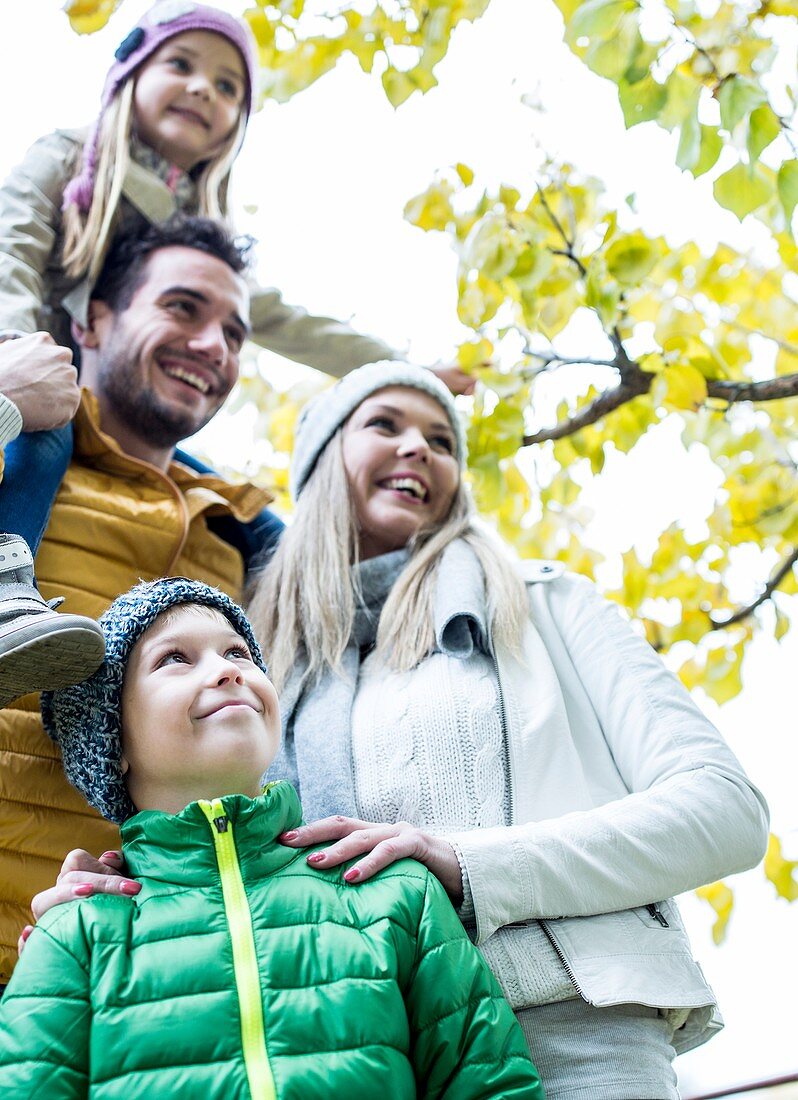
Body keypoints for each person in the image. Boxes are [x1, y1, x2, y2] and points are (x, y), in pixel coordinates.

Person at [242, 362, 769, 1099]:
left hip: (572, 1038)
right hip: (362, 1053)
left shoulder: (546, 605)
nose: (420, 449)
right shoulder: (264, 667)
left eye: (439, 439)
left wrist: (469, 864)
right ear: (323, 459)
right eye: (384, 424)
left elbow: (726, 812)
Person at [0, 1, 471, 705]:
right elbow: (13, 241)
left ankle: (335, 613)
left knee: (245, 514)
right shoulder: (70, 157)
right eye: (182, 66)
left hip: (106, 412)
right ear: (130, 73)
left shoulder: (198, 223)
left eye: (227, 87)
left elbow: (286, 320)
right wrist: (15, 352)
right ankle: (10, 589)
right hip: (48, 379)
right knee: (41, 446)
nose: (202, 90)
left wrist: (399, 368)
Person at [0, 576, 542, 1099]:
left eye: (237, 653)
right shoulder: (75, 933)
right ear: (112, 740)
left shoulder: (395, 890)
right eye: (175, 659)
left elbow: (490, 1083)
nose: (226, 672)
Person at [0, 214, 284, 983]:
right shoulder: (18, 445)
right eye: (184, 309)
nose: (213, 346)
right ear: (94, 318)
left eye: (234, 332)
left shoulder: (238, 536)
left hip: (125, 994)